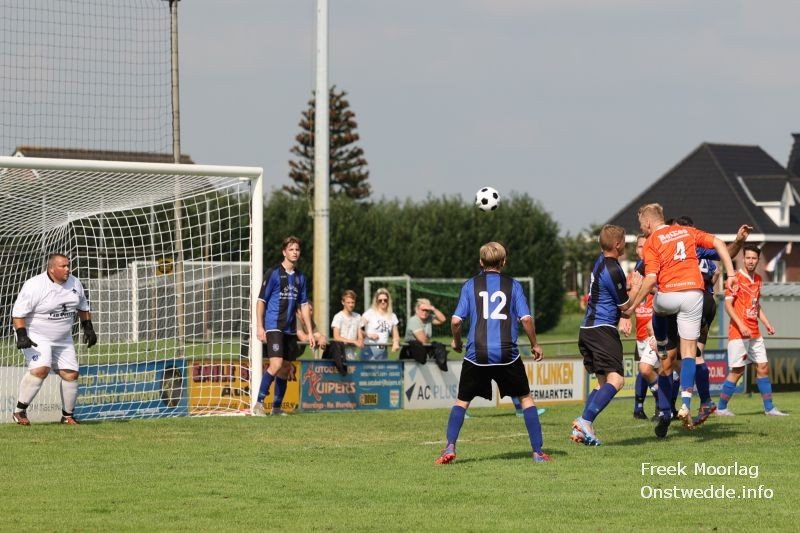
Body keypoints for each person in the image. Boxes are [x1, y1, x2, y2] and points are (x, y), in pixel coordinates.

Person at [622, 204, 737, 434]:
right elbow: (719, 243)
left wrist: (631, 307)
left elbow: (650, 279)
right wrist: (731, 274)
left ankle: (660, 343)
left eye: (641, 225)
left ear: (647, 223)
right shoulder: (687, 232)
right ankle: (684, 404)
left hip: (669, 297)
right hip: (694, 296)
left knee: (659, 314)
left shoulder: (653, 241)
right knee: (689, 354)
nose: (641, 229)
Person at [435, 242, 550, 464]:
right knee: (526, 399)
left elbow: (456, 321)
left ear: (481, 262)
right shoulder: (514, 285)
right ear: (504, 262)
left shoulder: (470, 285)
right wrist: (535, 344)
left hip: (476, 354)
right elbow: (526, 319)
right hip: (507, 354)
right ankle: (537, 452)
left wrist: (457, 341)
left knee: (462, 401)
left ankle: (450, 446)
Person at [11, 253, 97, 425]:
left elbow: (83, 307)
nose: (67, 269)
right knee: (41, 369)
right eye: (63, 266)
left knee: (71, 374)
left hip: (63, 338)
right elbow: (18, 313)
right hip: (36, 335)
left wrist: (88, 327)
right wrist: (22, 335)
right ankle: (19, 412)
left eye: (68, 265)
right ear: (51, 269)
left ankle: (67, 416)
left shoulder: (75, 283)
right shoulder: (34, 285)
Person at [571, 225, 634, 446]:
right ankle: (585, 421)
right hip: (602, 330)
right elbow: (625, 306)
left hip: (587, 330)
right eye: (624, 241)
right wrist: (639, 287)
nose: (625, 245)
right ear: (617, 244)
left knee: (602, 383)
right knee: (617, 380)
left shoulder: (599, 262)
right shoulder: (613, 268)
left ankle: (582, 429)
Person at [716, 244, 788, 417]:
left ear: (758, 260)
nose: (750, 261)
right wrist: (741, 325)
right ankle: (721, 408)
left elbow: (756, 305)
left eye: (754, 258)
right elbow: (727, 305)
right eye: (747, 257)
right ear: (743, 259)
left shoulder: (758, 279)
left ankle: (769, 408)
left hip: (755, 332)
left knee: (763, 367)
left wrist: (767, 323)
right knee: (737, 371)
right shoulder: (735, 278)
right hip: (739, 333)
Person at [253, 236, 315, 416]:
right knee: (276, 363)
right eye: (291, 249)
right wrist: (260, 326)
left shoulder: (300, 277)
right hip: (274, 326)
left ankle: (277, 408)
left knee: (286, 368)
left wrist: (310, 332)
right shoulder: (273, 273)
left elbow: (304, 305)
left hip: (290, 329)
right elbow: (261, 300)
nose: (295, 252)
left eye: (297, 249)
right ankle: (259, 404)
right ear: (284, 252)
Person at [360, 288, 400, 360]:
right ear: (376, 301)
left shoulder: (392, 316)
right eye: (380, 300)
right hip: (369, 348)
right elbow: (357, 328)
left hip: (382, 349)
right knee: (369, 367)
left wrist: (395, 342)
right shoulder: (370, 313)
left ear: (388, 301)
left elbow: (395, 334)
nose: (383, 302)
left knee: (382, 367)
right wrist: (368, 335)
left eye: (385, 300)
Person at [330, 289, 364, 361]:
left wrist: (360, 340)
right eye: (348, 302)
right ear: (343, 302)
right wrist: (353, 341)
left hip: (353, 355)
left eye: (353, 302)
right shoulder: (338, 317)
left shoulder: (358, 316)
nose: (351, 305)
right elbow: (336, 337)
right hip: (340, 355)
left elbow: (360, 336)